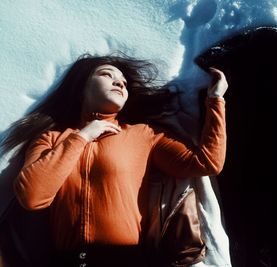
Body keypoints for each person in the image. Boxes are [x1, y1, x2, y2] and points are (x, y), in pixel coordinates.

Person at [0, 53, 228, 267]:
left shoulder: (142, 134)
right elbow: (32, 196)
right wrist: (82, 137)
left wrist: (215, 100)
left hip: (126, 259)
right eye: (107, 74)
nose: (120, 83)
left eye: (124, 83)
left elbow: (206, 162)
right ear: (82, 89)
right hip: (67, 261)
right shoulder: (51, 138)